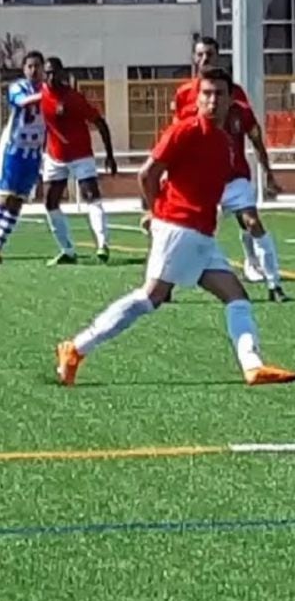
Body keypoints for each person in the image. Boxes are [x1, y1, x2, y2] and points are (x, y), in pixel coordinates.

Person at [55, 67, 294, 388]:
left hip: (202, 237)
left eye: (219, 94)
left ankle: (253, 366)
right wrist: (158, 213)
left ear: (230, 101)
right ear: (197, 98)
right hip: (179, 229)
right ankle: (77, 347)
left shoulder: (223, 142)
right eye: (206, 93)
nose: (212, 100)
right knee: (150, 298)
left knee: (237, 296)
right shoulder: (185, 131)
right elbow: (147, 174)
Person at [171, 36, 286, 301]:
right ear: (193, 58)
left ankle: (274, 284)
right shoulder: (184, 94)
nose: (205, 59)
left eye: (210, 54)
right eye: (200, 55)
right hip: (200, 179)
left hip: (234, 178)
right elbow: (175, 137)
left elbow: (254, 134)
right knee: (186, 231)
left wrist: (268, 172)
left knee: (252, 222)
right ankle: (168, 283)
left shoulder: (235, 95)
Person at [39, 58, 117, 266]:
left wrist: (110, 155)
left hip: (80, 155)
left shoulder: (74, 98)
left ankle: (102, 245)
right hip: (55, 156)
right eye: (47, 73)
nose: (51, 77)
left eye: (54, 73)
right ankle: (67, 250)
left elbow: (100, 123)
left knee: (91, 196)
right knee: (50, 202)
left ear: (62, 74)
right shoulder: (41, 95)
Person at [0, 51, 46, 264]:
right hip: (13, 149)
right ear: (24, 69)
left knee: (17, 203)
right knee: (3, 199)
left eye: (37, 66)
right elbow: (22, 102)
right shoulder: (18, 87)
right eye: (30, 66)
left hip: (33, 154)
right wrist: (47, 97)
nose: (34, 71)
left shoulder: (47, 90)